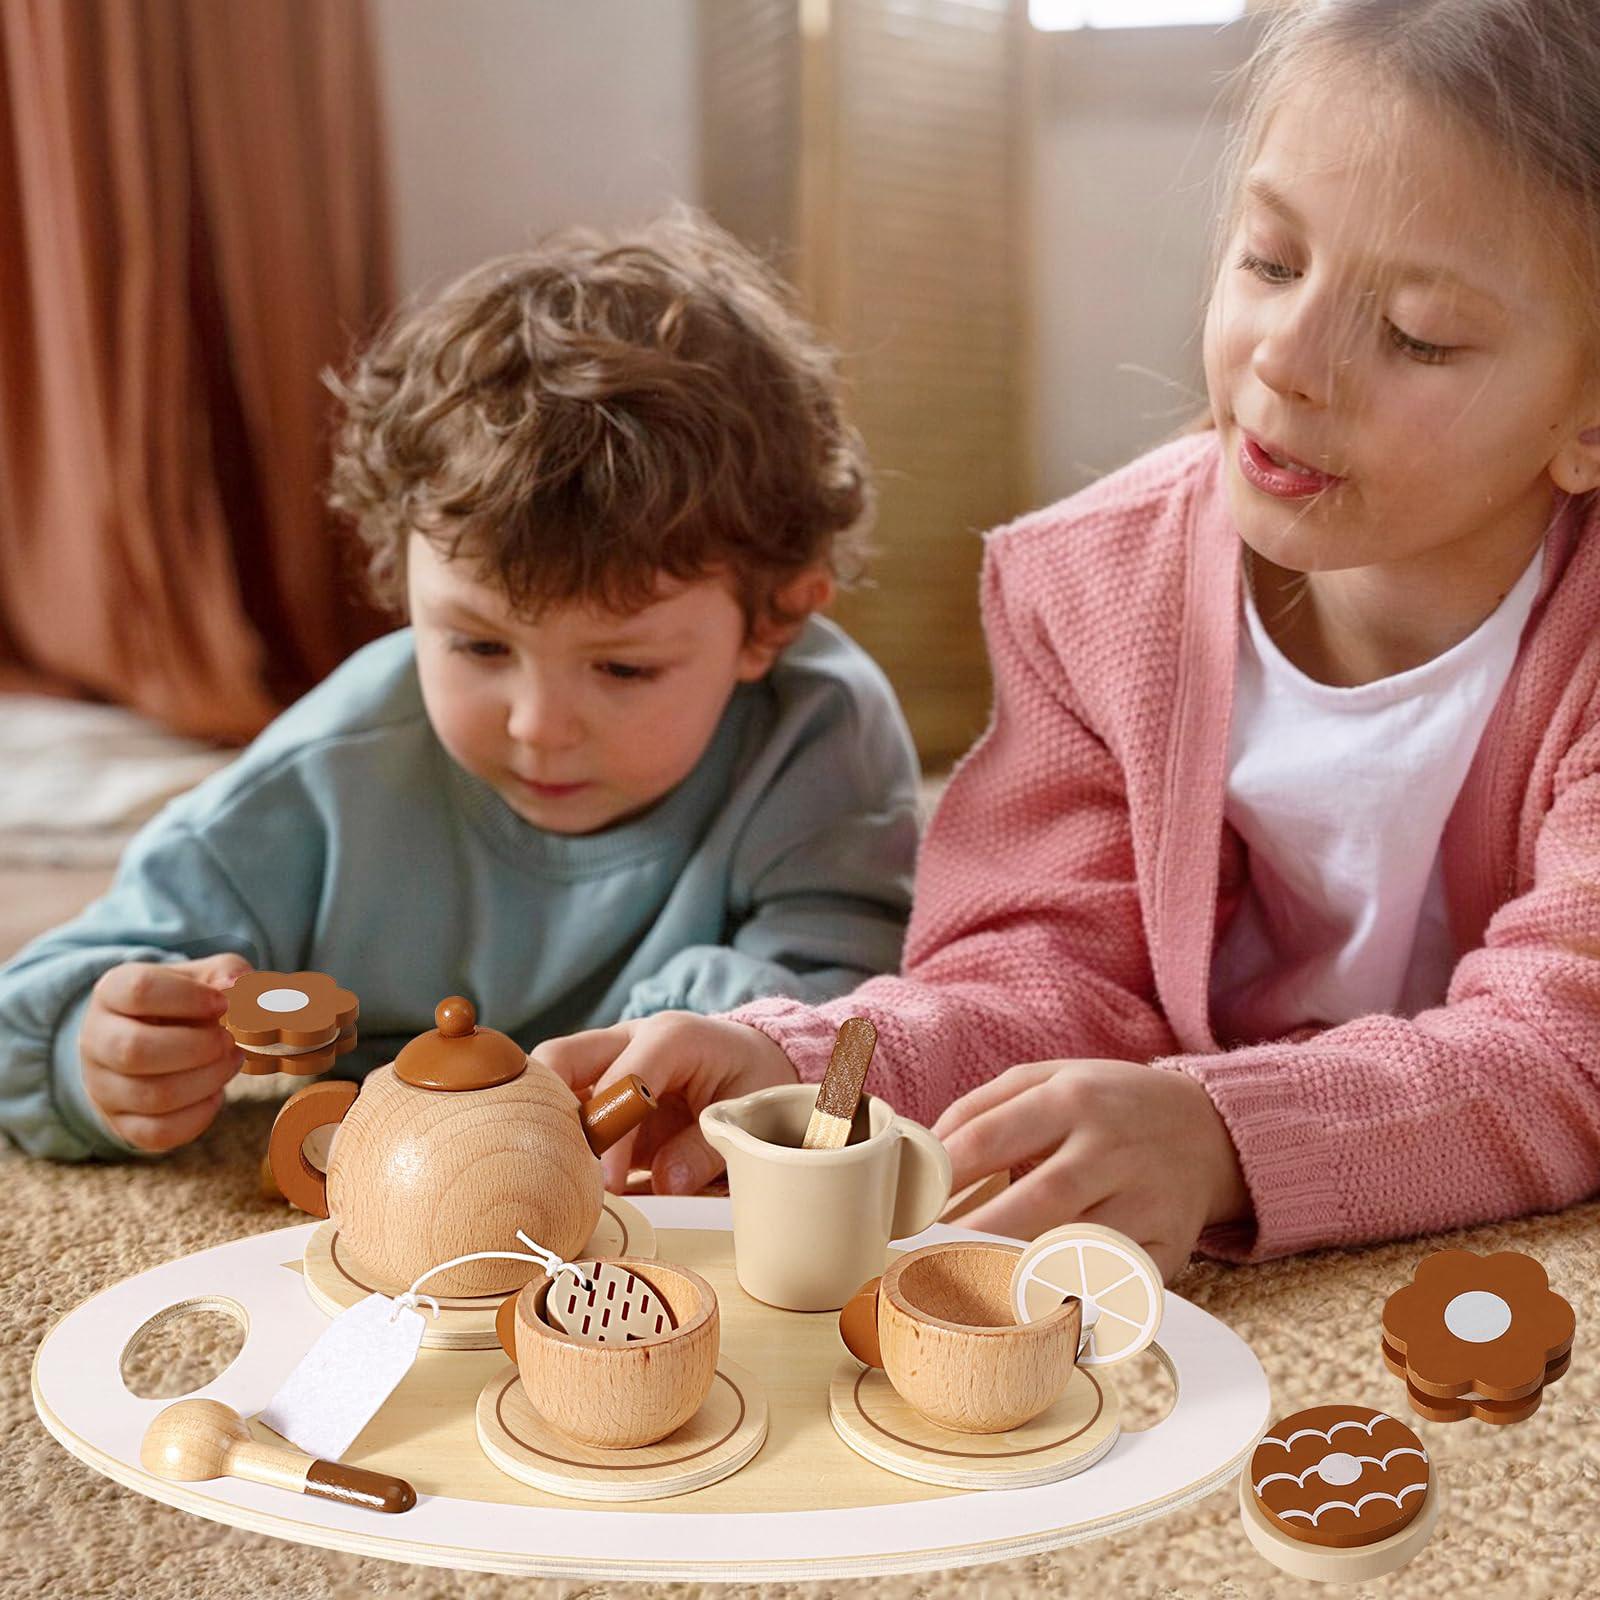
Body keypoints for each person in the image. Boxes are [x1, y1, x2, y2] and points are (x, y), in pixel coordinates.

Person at [538, 0, 1600, 1280]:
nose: (1287, 360)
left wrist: (1218, 1130)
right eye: (1269, 260)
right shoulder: (1095, 591)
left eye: (1416, 333)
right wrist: (816, 1067)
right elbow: (1045, 967)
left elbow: (1567, 1047)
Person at [0, 210, 920, 1161]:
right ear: (404, 580)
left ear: (771, 623)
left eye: (623, 668)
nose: (538, 726)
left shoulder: (820, 728)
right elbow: (52, 998)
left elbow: (853, 1007)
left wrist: (691, 1037)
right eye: (478, 647)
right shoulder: (332, 769)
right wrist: (93, 1055)